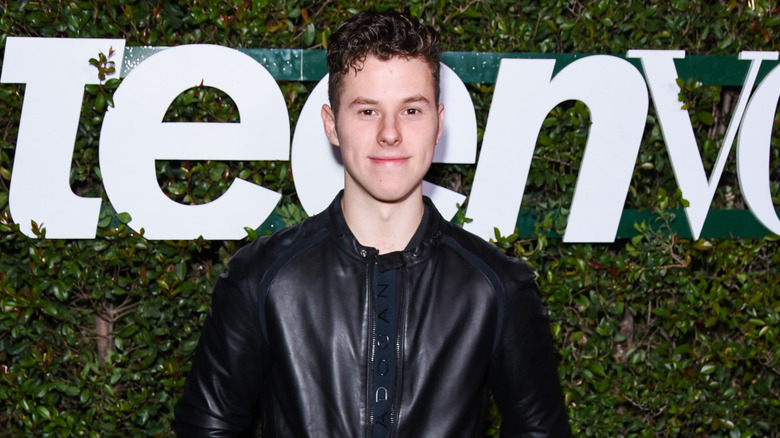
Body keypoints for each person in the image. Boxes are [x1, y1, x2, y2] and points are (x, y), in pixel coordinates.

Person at [175, 9, 570, 437]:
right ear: (332, 125)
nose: (390, 133)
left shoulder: (498, 287)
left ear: (438, 123)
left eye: (411, 111)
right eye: (367, 112)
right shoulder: (260, 279)